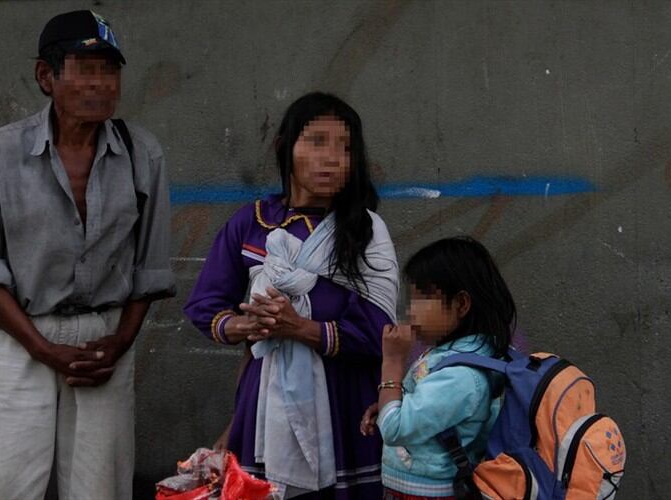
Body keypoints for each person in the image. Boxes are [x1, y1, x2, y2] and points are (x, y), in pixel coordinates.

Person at [0, 10, 175, 500]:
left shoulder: (143, 154)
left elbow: (150, 267)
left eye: (110, 71)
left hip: (103, 342)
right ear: (45, 76)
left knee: (100, 489)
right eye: (84, 68)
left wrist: (119, 343)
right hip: (16, 342)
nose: (100, 84)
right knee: (3, 487)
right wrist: (41, 347)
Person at [184, 92, 399, 499]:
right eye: (317, 142)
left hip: (345, 406)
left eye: (345, 147)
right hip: (263, 401)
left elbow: (378, 332)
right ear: (286, 148)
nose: (333, 158)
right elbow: (204, 305)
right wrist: (244, 325)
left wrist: (300, 327)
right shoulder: (250, 224)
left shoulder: (366, 232)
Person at [360, 236, 515, 499]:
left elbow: (394, 429)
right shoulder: (455, 357)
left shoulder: (462, 376)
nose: (410, 312)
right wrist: (394, 402)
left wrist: (392, 363)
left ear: (461, 304)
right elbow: (427, 410)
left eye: (421, 299)